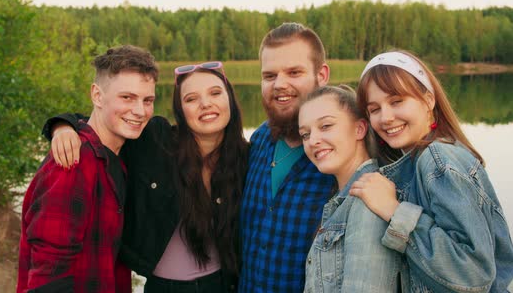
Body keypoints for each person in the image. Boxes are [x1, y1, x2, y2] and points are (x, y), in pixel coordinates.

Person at [44, 62, 247, 292]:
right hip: (163, 287)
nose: (205, 104)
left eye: (215, 93)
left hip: (222, 285)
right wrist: (63, 127)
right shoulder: (156, 141)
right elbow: (101, 122)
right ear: (180, 110)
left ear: (229, 98)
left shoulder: (246, 157)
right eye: (191, 99)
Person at [352, 50, 513, 292]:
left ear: (429, 100)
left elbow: (473, 273)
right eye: (374, 109)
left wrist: (394, 210)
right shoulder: (417, 161)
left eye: (397, 101)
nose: (386, 117)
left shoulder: (438, 159)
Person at [17, 45, 158, 293]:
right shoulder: (72, 163)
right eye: (127, 97)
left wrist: (61, 124)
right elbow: (48, 276)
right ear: (97, 95)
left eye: (147, 100)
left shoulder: (118, 156)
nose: (140, 111)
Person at [239, 22, 336, 292]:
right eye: (269, 76)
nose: (280, 84)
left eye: (294, 72)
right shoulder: (257, 142)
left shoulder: (346, 151)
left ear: (322, 75)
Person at [298, 85, 402, 293]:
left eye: (326, 126)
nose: (313, 141)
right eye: (305, 134)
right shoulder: (343, 197)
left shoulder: (369, 200)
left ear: (359, 129)